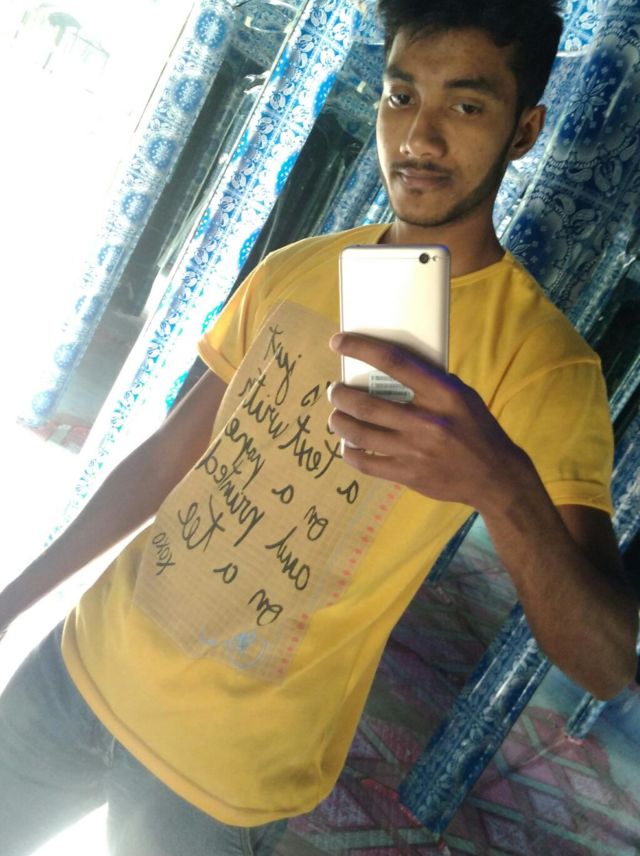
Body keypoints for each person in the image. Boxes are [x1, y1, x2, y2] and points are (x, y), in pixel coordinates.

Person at [1, 0, 638, 853]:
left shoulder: (544, 365)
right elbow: (165, 461)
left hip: (224, 771)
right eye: (402, 96)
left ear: (523, 131)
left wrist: (501, 484)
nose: (419, 137)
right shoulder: (295, 269)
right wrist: (15, 598)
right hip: (78, 667)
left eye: (465, 104)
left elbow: (605, 659)